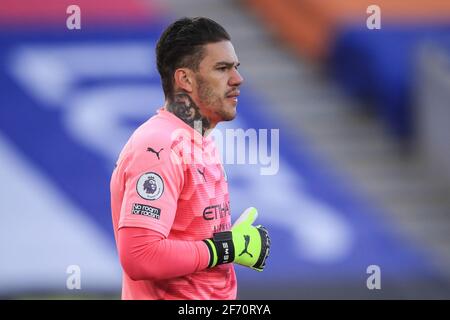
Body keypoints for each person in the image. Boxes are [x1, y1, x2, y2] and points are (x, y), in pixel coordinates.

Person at [110, 17, 270, 300]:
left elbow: (193, 243)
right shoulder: (158, 146)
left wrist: (230, 243)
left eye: (236, 67)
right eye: (222, 69)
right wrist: (224, 248)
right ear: (185, 79)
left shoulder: (199, 140)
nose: (237, 79)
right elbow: (140, 255)